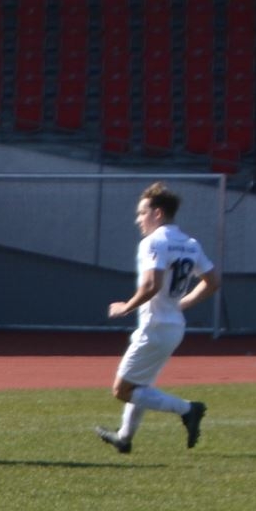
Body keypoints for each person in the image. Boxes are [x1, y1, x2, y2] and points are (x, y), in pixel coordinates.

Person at [95, 182, 219, 454]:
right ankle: (124, 438)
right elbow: (212, 281)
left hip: (155, 327)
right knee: (142, 385)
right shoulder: (190, 243)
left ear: (158, 213)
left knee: (122, 390)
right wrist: (183, 303)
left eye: (142, 213)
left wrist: (125, 307)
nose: (138, 219)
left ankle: (188, 409)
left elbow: (152, 285)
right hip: (174, 326)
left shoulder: (154, 242)